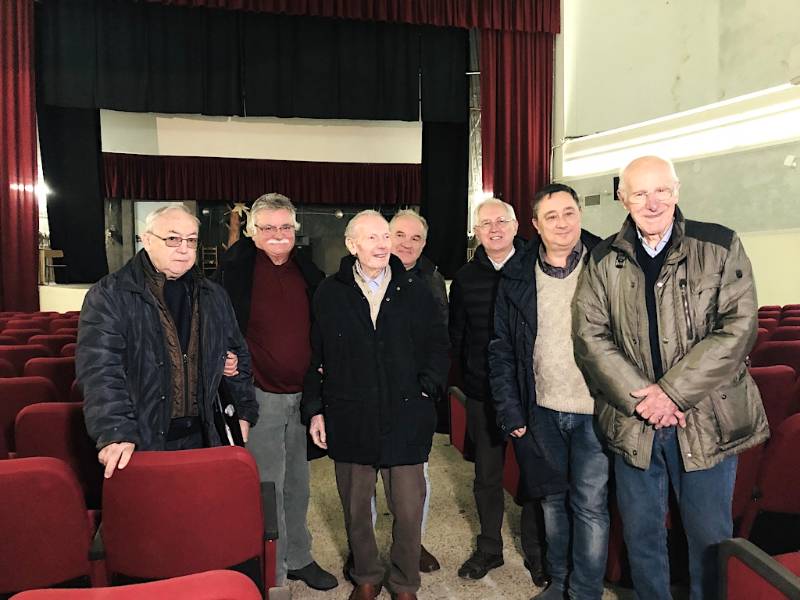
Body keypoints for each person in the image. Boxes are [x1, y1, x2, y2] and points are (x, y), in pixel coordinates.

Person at [573, 155, 769, 599]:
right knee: (642, 539)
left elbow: (739, 328)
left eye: (661, 189)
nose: (652, 201)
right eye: (639, 192)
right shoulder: (603, 258)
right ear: (623, 198)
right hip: (634, 422)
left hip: (704, 420)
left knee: (708, 540)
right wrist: (646, 400)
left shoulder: (720, 245)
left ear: (677, 191)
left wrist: (672, 394)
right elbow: (590, 335)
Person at [301, 210, 449, 600]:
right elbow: (316, 355)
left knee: (408, 507)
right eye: (372, 238)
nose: (383, 244)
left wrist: (426, 389)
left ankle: (404, 582)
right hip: (350, 414)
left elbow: (438, 346)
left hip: (406, 414)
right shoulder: (329, 292)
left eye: (385, 236)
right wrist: (315, 407)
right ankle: (366, 574)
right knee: (355, 506)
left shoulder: (416, 289)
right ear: (352, 245)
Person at [76, 203, 258, 479]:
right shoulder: (110, 294)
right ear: (147, 240)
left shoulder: (214, 295)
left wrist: (243, 412)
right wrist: (115, 433)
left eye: (191, 240)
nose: (184, 248)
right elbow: (100, 372)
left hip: (206, 436)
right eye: (172, 238)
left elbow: (237, 354)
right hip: (142, 439)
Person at [489, 184, 607, 600]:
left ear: (580, 215)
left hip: (596, 409)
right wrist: (510, 411)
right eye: (551, 216)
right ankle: (559, 583)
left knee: (590, 506)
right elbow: (501, 348)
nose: (562, 223)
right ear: (536, 224)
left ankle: (586, 591)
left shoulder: (608, 264)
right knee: (553, 504)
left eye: (569, 213)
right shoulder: (516, 275)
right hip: (540, 408)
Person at [214, 193, 337, 591]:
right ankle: (274, 569)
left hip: (303, 396)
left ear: (295, 230)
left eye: (285, 227)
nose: (278, 235)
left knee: (299, 483)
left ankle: (299, 556)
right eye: (268, 228)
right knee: (268, 485)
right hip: (259, 396)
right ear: (252, 231)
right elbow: (214, 325)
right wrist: (225, 360)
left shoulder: (308, 270)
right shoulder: (233, 271)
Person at [450, 198, 548, 586]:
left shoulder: (537, 267)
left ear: (515, 225)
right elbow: (457, 337)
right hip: (483, 393)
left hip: (532, 394)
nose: (493, 229)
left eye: (500, 221)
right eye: (485, 223)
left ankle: (538, 552)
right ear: (476, 231)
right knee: (486, 476)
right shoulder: (464, 278)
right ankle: (490, 547)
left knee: (534, 476)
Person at [389, 209, 447, 573]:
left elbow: (441, 338)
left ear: (424, 243)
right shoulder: (364, 275)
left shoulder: (433, 279)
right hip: (374, 395)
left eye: (415, 238)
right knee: (369, 480)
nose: (406, 244)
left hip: (416, 398)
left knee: (415, 480)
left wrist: (429, 387)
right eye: (400, 235)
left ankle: (412, 544)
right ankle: (362, 548)